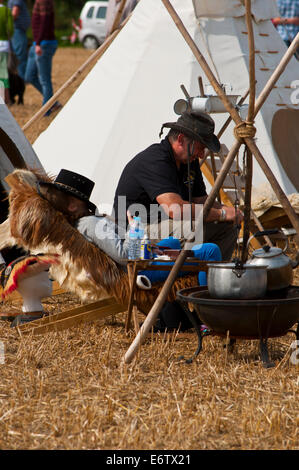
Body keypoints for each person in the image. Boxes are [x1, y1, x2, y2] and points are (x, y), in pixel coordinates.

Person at [113, 111, 244, 262]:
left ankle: (214, 276)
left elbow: (201, 200)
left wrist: (226, 211)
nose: (202, 155)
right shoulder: (155, 160)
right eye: (200, 147)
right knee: (192, 229)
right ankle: (184, 276)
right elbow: (176, 209)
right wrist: (220, 213)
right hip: (136, 231)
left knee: (227, 226)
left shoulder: (189, 161)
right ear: (181, 139)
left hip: (164, 224)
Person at [24, 0, 61, 114]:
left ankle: (46, 111)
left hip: (44, 44)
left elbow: (44, 23)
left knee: (45, 80)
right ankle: (52, 102)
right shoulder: (39, 2)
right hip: (37, 44)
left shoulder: (43, 1)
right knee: (29, 76)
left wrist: (39, 43)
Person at [7, 0, 30, 80]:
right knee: (21, 56)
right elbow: (15, 13)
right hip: (18, 31)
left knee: (18, 56)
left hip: (17, 31)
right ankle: (22, 79)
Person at [0, 1, 13, 105]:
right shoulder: (6, 11)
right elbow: (10, 29)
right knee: (3, 73)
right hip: (3, 45)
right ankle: (5, 99)